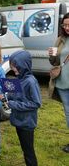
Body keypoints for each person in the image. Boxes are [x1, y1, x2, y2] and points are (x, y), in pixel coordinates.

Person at [5, 50, 42, 166]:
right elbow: (16, 95)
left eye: (15, 67)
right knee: (25, 150)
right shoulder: (19, 79)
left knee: (28, 152)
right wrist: (5, 95)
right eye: (12, 67)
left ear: (23, 65)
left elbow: (36, 103)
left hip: (27, 123)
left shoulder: (31, 82)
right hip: (18, 121)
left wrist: (13, 104)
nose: (13, 69)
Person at [48, 12, 69, 153]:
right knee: (68, 113)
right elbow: (54, 62)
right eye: (65, 24)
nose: (67, 27)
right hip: (62, 82)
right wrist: (52, 55)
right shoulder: (60, 40)